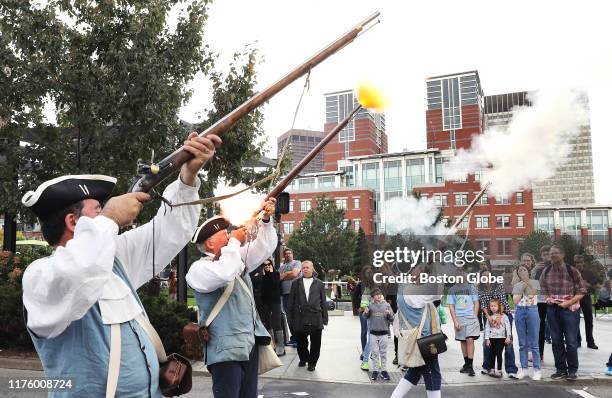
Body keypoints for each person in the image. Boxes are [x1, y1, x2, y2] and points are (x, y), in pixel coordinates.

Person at [20, 132, 220, 396]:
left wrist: (188, 176)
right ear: (73, 222)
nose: (103, 215)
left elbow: (168, 232)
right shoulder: (40, 277)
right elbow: (80, 271)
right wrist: (110, 218)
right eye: (97, 211)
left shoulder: (112, 258)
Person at [186, 198, 277, 398]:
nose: (229, 236)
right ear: (210, 243)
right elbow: (224, 273)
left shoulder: (234, 259)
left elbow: (265, 247)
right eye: (223, 235)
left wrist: (266, 219)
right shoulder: (199, 269)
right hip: (225, 352)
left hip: (248, 346)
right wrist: (235, 241)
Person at [391, 262, 444, 398]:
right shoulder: (411, 291)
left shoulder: (403, 287)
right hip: (424, 341)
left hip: (416, 340)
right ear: (412, 271)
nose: (423, 272)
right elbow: (437, 293)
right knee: (433, 375)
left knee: (414, 373)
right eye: (420, 269)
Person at [539, 244, 587, 381]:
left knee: (571, 341)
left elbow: (582, 291)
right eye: (551, 253)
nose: (552, 255)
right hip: (553, 309)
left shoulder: (573, 271)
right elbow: (542, 290)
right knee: (556, 341)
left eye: (555, 253)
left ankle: (572, 370)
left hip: (569, 310)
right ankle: (560, 369)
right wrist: (547, 298)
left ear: (563, 255)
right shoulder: (546, 271)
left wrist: (568, 303)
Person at [286, 260, 328, 371]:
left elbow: (323, 302)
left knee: (316, 343)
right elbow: (291, 301)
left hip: (316, 317)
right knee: (301, 342)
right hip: (300, 317)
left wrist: (325, 318)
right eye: (303, 267)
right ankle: (303, 358)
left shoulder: (319, 283)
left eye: (307, 267)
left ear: (312, 268)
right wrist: (290, 318)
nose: (305, 269)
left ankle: (312, 363)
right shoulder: (296, 283)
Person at [478, 270, 519, 378]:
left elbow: (502, 302)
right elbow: (483, 305)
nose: (486, 278)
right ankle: (488, 367)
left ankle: (511, 370)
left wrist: (499, 317)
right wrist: (489, 318)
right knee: (487, 342)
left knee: (508, 342)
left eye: (488, 276)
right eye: (484, 277)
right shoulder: (480, 288)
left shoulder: (498, 286)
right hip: (491, 316)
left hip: (504, 315)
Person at [447, 267, 480, 377]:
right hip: (459, 318)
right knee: (463, 341)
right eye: (457, 273)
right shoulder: (452, 290)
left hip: (471, 317)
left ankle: (470, 366)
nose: (459, 275)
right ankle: (466, 364)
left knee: (470, 339)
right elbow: (451, 307)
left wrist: (474, 317)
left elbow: (476, 303)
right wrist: (455, 321)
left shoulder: (471, 288)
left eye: (462, 272)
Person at [512, 263, 542, 380]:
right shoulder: (517, 285)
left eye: (524, 269)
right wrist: (522, 285)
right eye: (520, 270)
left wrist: (526, 283)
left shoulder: (535, 282)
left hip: (532, 310)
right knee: (522, 343)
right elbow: (515, 300)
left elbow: (532, 294)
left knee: (534, 344)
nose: (522, 272)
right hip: (520, 311)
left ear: (528, 271)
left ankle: (537, 370)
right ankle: (524, 369)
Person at [364, 287, 394, 381]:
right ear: (373, 297)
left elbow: (392, 318)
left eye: (380, 294)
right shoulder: (370, 305)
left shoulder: (387, 305)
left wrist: (389, 314)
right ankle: (376, 371)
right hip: (373, 333)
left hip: (384, 333)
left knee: (383, 353)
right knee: (375, 353)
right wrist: (366, 313)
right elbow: (366, 317)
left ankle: (384, 371)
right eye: (376, 295)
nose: (379, 296)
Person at [574, 254, 601, 349]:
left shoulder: (589, 273)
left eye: (580, 262)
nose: (579, 264)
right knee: (575, 320)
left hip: (586, 297)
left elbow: (597, 286)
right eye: (577, 262)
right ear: (575, 263)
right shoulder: (571, 272)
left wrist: (588, 284)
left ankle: (590, 342)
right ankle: (577, 341)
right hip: (575, 298)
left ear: (583, 262)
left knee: (589, 320)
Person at [260, 258, 285, 356]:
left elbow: (275, 286)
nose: (267, 266)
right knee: (268, 323)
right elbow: (262, 288)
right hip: (265, 302)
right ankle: (272, 345)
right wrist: (264, 275)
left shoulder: (276, 274)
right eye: (265, 265)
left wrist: (270, 274)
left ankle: (281, 346)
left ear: (272, 264)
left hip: (275, 302)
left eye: (269, 264)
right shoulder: (262, 276)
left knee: (277, 323)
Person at [279, 248, 302, 346]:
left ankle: (299, 338)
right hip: (285, 294)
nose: (288, 255)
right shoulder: (282, 266)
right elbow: (278, 277)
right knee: (289, 317)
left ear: (293, 254)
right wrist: (289, 274)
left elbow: (295, 274)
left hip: (296, 293)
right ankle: (294, 338)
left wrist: (285, 275)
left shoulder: (297, 263)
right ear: (284, 256)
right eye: (286, 254)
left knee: (297, 315)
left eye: (290, 253)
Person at [484, 298, 512, 378]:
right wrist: (487, 339)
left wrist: (508, 337)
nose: (493, 307)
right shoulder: (490, 317)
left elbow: (508, 327)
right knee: (492, 354)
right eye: (491, 306)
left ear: (499, 306)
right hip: (492, 338)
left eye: (495, 306)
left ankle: (499, 370)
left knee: (499, 353)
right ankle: (492, 369)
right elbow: (487, 328)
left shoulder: (504, 317)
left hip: (501, 338)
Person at [533, 245, 552, 359]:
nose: (546, 256)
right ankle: (540, 353)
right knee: (540, 327)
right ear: (541, 256)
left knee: (554, 327)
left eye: (548, 254)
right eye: (544, 254)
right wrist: (535, 270)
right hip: (540, 301)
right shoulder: (538, 268)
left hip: (553, 300)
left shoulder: (555, 266)